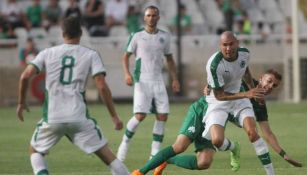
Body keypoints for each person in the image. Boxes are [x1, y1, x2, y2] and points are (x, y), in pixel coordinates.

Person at [16, 16, 130, 175]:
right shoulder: (90, 54)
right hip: (78, 116)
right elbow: (101, 86)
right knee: (109, 157)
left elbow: (25, 76)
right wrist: (114, 117)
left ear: (63, 33)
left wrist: (21, 102)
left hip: (53, 117)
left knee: (35, 152)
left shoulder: (47, 53)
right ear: (81, 33)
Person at [202, 31, 275, 175]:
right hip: (218, 102)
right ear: (220, 46)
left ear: (237, 43)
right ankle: (234, 148)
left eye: (231, 44)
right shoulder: (214, 64)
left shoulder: (245, 53)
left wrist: (253, 90)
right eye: (224, 45)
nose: (228, 48)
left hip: (239, 99)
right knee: (217, 141)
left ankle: (271, 173)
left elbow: (245, 70)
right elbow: (220, 95)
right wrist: (247, 94)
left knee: (253, 133)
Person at [117, 5, 180, 162]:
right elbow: (125, 56)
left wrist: (175, 78)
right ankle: (124, 145)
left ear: (158, 18)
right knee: (140, 116)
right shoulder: (137, 35)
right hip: (142, 80)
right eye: (149, 15)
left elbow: (170, 59)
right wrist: (127, 74)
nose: (151, 18)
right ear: (144, 18)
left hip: (158, 79)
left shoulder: (165, 36)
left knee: (162, 116)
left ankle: (154, 154)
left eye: (154, 15)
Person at [130, 96, 236, 175]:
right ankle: (140, 172)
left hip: (217, 118)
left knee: (204, 162)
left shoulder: (243, 84)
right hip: (201, 111)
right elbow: (214, 89)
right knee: (180, 146)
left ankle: (167, 159)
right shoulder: (220, 68)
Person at [229, 69, 302, 168]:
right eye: (269, 81)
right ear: (261, 78)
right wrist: (209, 87)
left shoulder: (260, 105)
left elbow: (268, 134)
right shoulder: (244, 82)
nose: (271, 86)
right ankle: (233, 147)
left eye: (274, 85)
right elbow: (226, 79)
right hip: (212, 109)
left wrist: (284, 155)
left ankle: (233, 147)